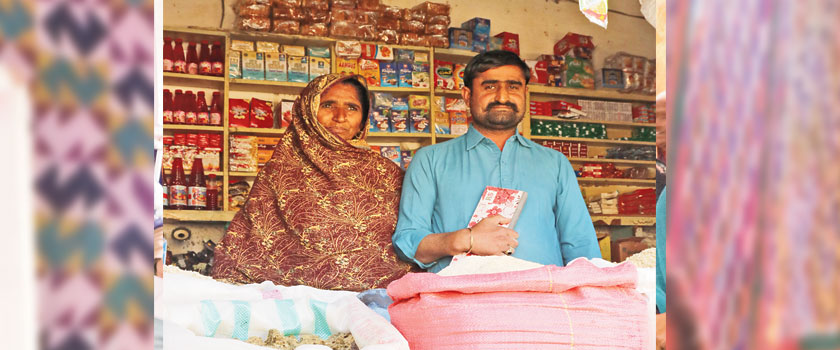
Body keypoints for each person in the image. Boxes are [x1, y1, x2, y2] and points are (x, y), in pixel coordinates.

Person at [393, 50, 601, 273]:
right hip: (460, 300)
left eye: (513, 86)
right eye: (490, 86)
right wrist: (466, 239)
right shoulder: (430, 160)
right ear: (466, 95)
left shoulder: (555, 163)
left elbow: (582, 247)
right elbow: (408, 243)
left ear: (525, 93)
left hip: (544, 299)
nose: (503, 97)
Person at [212, 73, 413, 290]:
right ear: (307, 110)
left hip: (381, 304)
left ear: (363, 119)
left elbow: (412, 236)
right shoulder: (279, 171)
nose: (340, 116)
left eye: (352, 108)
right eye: (328, 105)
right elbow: (246, 246)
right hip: (301, 307)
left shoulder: (387, 173)